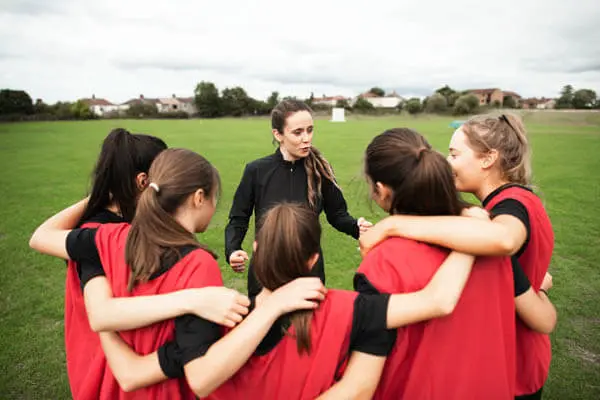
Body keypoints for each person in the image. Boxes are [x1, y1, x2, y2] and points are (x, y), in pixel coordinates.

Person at [85, 202, 479, 399]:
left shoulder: (216, 314)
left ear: (255, 248)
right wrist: (474, 233)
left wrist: (97, 292)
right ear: (313, 259)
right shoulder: (355, 310)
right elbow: (439, 300)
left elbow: (132, 373)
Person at [30, 148, 325, 399]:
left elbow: (42, 237)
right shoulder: (198, 265)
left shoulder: (108, 237)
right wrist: (269, 306)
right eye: (213, 198)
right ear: (198, 197)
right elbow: (201, 377)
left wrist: (104, 192)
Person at [360, 114, 555, 399]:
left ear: (488, 159)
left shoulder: (510, 207)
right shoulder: (492, 212)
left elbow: (503, 240)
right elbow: (532, 284)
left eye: (454, 154)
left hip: (510, 359)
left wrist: (393, 224)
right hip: (496, 359)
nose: (446, 163)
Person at [225, 99, 371, 297]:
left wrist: (357, 227)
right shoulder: (256, 171)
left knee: (308, 328)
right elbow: (238, 218)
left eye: (310, 130)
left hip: (309, 273)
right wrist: (233, 249)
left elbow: (337, 215)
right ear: (278, 134)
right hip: (265, 274)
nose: (306, 138)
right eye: (298, 132)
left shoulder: (321, 171)